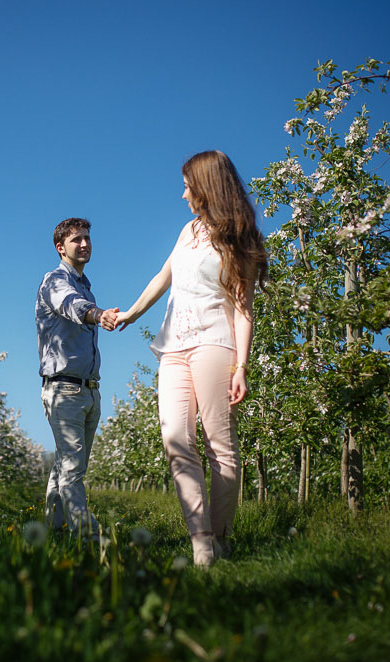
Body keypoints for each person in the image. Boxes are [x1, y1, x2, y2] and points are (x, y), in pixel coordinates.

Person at [114, 151, 267, 565]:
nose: (183, 194)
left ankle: (219, 538)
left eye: (188, 185)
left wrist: (242, 366)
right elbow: (163, 277)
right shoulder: (189, 230)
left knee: (221, 447)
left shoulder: (239, 237)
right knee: (176, 441)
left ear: (207, 186)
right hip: (173, 348)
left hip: (215, 345)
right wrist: (130, 313)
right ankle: (202, 544)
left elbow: (243, 308)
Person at [36, 217, 119, 539]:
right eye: (76, 240)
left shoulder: (85, 284)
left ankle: (53, 529)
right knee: (72, 465)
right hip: (63, 389)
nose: (84, 244)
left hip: (88, 389)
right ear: (61, 247)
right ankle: (88, 536)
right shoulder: (55, 281)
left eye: (87, 238)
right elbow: (72, 306)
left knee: (68, 463)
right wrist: (99, 315)